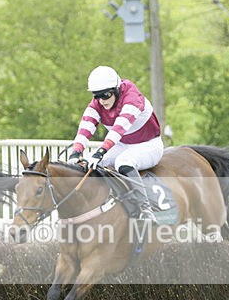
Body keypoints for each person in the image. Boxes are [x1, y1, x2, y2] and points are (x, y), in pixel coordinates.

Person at [68, 65, 163, 223]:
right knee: (93, 165)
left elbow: (119, 128)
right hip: (122, 144)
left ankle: (146, 209)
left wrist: (100, 151)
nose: (101, 100)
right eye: (96, 96)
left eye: (105, 96)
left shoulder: (132, 98)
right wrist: (75, 152)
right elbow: (86, 126)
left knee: (123, 162)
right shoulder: (99, 102)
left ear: (116, 90)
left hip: (149, 145)